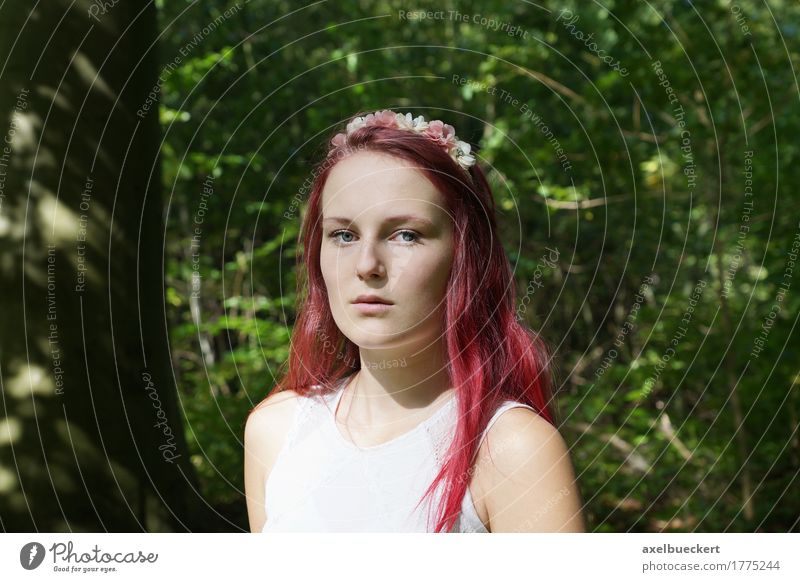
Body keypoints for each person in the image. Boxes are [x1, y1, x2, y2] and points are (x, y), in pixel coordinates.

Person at [244, 109, 586, 533]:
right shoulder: (275, 431)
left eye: (405, 234)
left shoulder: (511, 450)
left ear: (465, 256)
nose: (367, 264)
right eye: (343, 235)